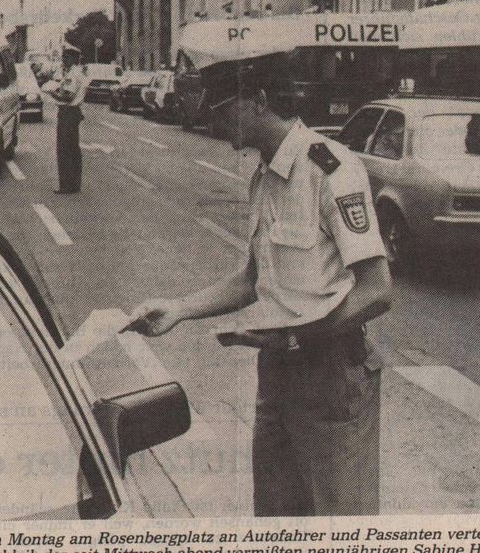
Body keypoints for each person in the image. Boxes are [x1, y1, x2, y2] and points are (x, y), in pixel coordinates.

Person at [126, 55, 393, 517]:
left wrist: (292, 338)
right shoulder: (264, 176)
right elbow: (255, 277)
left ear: (260, 101)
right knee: (274, 518)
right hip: (279, 370)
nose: (211, 120)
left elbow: (376, 290)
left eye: (222, 108)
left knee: (339, 520)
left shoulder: (329, 170)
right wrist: (180, 308)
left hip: (331, 372)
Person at [50, 45, 88, 193]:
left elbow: (67, 96)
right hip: (72, 113)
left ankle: (67, 185)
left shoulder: (73, 74)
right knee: (72, 149)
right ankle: (73, 183)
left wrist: (51, 93)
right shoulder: (74, 73)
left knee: (65, 149)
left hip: (68, 112)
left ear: (73, 58)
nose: (63, 60)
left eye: (66, 57)